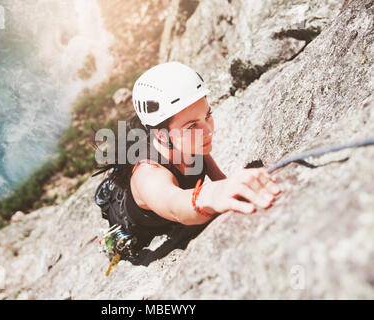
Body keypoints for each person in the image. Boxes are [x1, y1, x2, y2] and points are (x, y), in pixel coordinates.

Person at [94, 61, 281, 262]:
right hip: (133, 221)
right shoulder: (148, 175)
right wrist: (216, 194)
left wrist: (229, 185)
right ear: (162, 135)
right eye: (191, 126)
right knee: (127, 244)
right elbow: (175, 205)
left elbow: (213, 171)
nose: (208, 131)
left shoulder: (191, 143)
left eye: (208, 115)